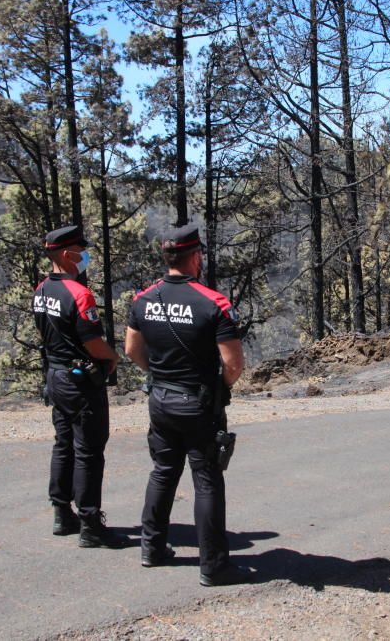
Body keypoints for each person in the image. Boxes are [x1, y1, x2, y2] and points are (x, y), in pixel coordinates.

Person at [125, 223, 252, 586]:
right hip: (198, 403)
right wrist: (218, 389)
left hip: (161, 399)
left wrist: (160, 375)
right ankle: (213, 566)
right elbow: (233, 364)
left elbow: (132, 350)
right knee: (207, 480)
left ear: (168, 257)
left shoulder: (143, 299)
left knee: (163, 471)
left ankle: (152, 549)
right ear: (194, 256)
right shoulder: (214, 303)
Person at [32, 224, 126, 549]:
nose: (84, 256)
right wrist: (112, 358)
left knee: (63, 443)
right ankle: (90, 523)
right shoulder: (79, 293)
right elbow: (92, 341)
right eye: (80, 250)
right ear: (66, 253)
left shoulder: (42, 289)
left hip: (56, 376)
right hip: (81, 380)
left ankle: (62, 513)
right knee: (88, 450)